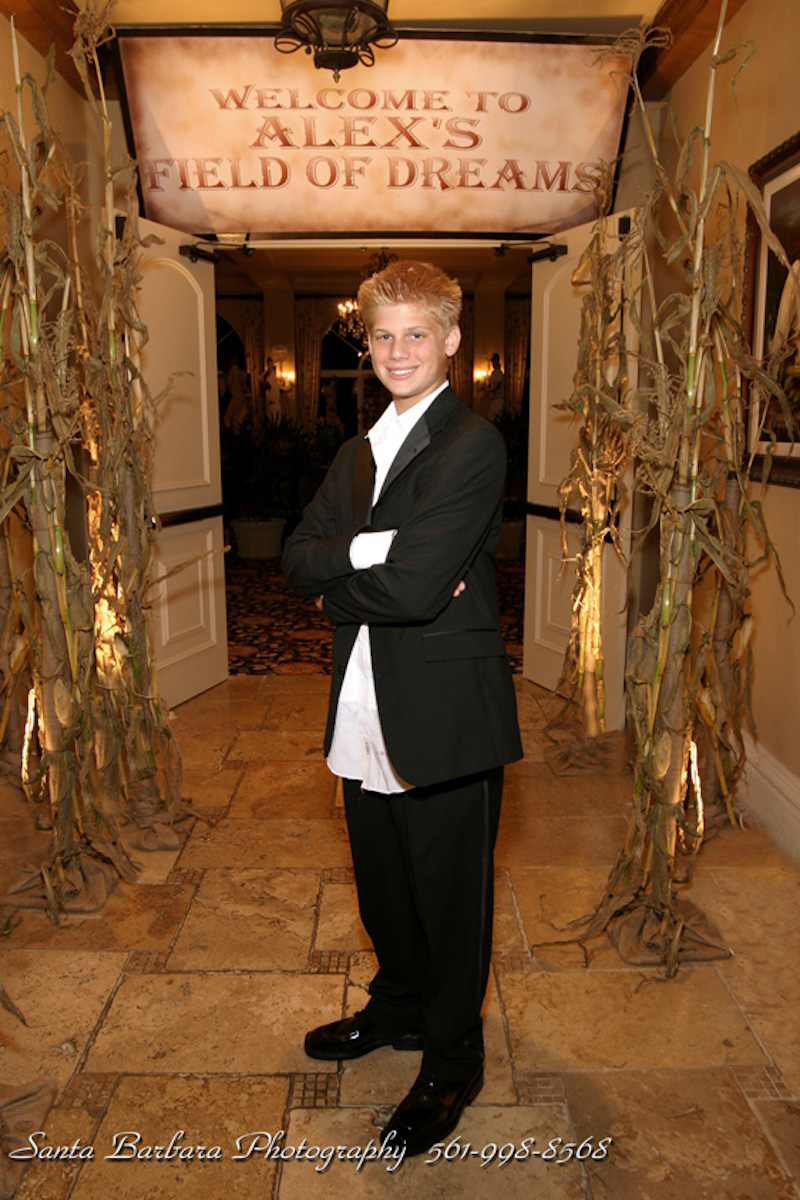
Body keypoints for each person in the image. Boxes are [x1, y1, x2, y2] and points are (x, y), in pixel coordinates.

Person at [282, 260, 522, 1158]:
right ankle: (399, 1009)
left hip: (444, 713)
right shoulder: (355, 453)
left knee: (451, 902)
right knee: (384, 885)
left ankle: (453, 1059)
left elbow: (416, 590)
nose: (397, 351)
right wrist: (371, 551)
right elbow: (294, 557)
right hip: (360, 707)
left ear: (451, 339)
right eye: (382, 335)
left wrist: (336, 585)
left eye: (416, 333)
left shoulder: (472, 444)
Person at [485, 352, 505, 422]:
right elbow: (490, 385)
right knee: (490, 419)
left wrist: (487, 389)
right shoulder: (493, 373)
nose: (492, 364)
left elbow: (495, 388)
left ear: (497, 361)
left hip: (498, 400)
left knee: (496, 421)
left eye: (493, 361)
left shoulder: (499, 373)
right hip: (493, 401)